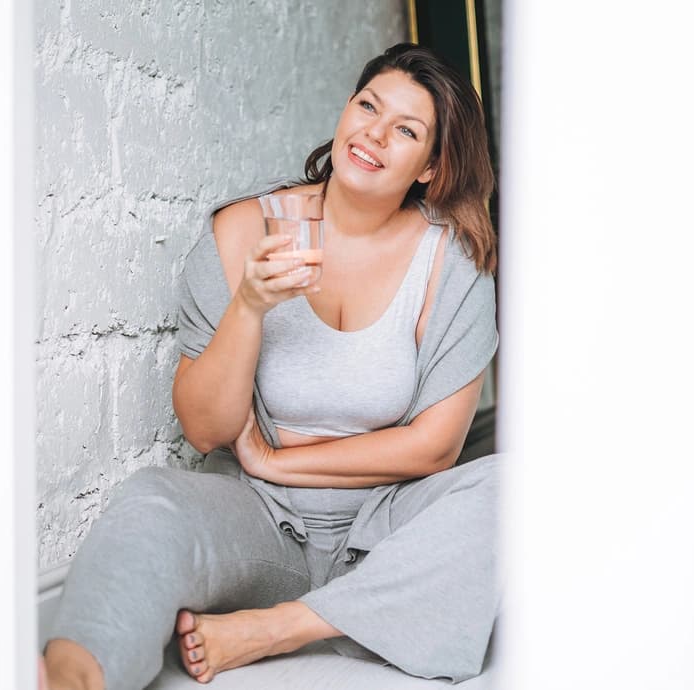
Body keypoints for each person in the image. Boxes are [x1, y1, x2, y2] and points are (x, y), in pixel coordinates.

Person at [42, 43, 501, 690]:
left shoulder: (452, 263)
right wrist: (251, 307)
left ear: (431, 166)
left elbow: (433, 449)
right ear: (345, 111)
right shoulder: (239, 231)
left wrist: (276, 458)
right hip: (262, 519)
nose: (374, 132)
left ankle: (284, 627)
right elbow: (204, 430)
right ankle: (70, 678)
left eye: (406, 130)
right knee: (150, 501)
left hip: (388, 524)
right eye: (367, 105)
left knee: (517, 489)